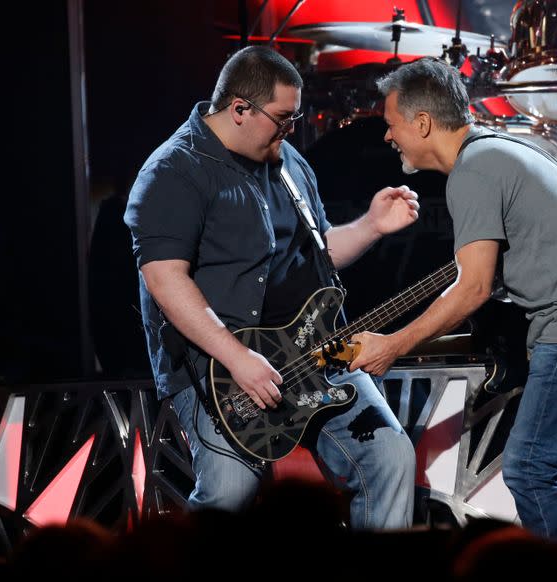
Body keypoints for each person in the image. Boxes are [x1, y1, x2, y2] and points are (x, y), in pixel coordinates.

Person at [350, 57, 557, 541]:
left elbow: (472, 287)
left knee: (530, 467)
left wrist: (392, 344)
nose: (388, 137)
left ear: (422, 123)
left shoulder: (473, 170)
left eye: (391, 125)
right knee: (541, 464)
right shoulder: (509, 146)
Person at [124, 46, 419, 529]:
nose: (292, 130)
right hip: (219, 368)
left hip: (314, 349)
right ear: (240, 109)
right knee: (229, 492)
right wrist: (238, 358)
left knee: (389, 456)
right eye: (283, 119)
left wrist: (370, 226)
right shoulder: (172, 171)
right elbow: (163, 278)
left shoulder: (288, 163)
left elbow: (317, 253)